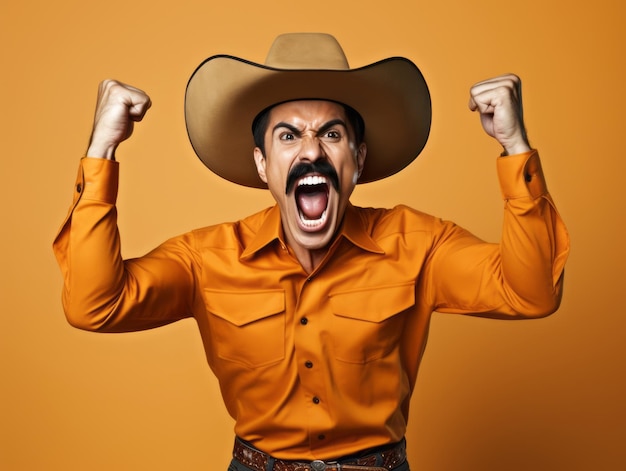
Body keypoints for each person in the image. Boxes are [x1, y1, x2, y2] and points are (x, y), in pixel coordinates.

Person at [53, 33, 569, 471]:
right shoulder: (205, 258)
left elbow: (532, 293)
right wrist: (102, 150)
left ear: (358, 160)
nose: (312, 151)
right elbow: (95, 305)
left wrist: (514, 146)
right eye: (288, 135)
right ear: (262, 165)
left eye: (332, 133)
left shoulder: (419, 244)